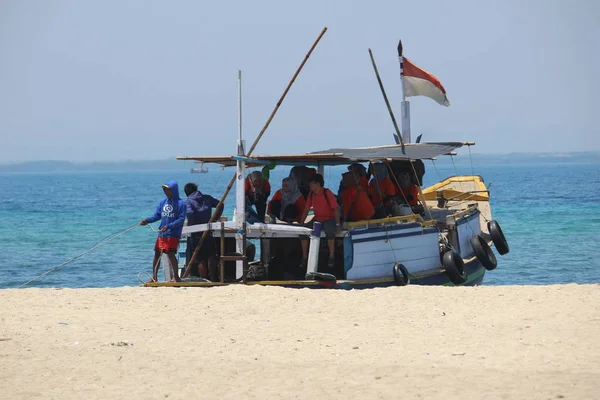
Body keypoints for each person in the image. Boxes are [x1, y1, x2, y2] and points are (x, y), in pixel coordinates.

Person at [139, 180, 186, 283]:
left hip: (173, 234)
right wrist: (147, 220)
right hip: (162, 233)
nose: (166, 192)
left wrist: (169, 226)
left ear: (174, 190)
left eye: (168, 190)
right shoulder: (163, 202)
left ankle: (176, 278)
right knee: (157, 254)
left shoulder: (181, 203)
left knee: (170, 253)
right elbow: (157, 215)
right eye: (165, 190)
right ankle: (154, 277)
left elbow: (181, 219)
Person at [299, 173, 341, 269]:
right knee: (303, 233)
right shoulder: (311, 194)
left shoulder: (327, 193)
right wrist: (301, 224)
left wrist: (338, 224)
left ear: (318, 184)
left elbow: (335, 209)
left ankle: (331, 256)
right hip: (317, 218)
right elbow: (306, 210)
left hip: (329, 218)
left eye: (311, 183)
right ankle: (305, 257)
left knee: (330, 232)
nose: (309, 185)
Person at [183, 182, 223, 281]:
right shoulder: (206, 198)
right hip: (208, 230)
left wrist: (192, 225)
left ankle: (204, 279)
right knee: (211, 256)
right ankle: (213, 279)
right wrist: (214, 219)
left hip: (196, 233)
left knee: (200, 259)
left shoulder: (188, 201)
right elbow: (220, 205)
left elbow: (190, 213)